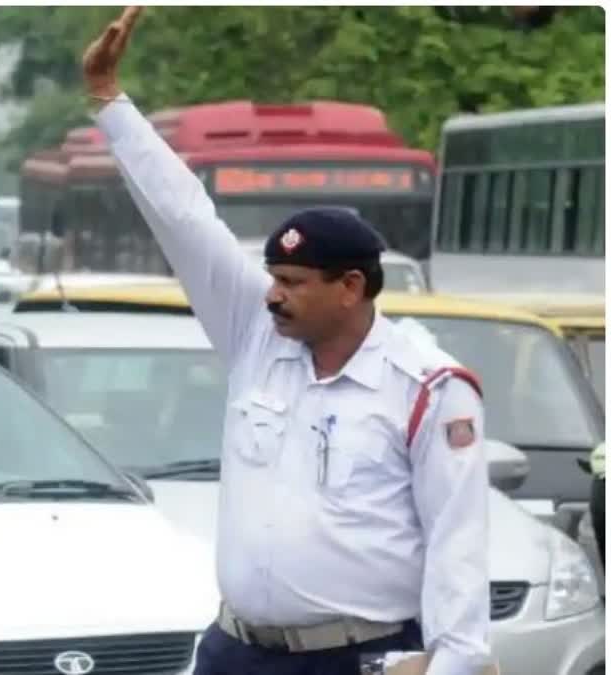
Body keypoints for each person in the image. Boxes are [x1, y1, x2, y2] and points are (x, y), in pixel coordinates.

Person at [82, 8, 491, 675]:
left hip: (358, 657)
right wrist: (109, 101)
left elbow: (459, 547)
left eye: (294, 281)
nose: (272, 293)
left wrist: (453, 665)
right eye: (272, 276)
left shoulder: (427, 388)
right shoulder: (256, 337)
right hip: (233, 652)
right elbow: (185, 217)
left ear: (351, 287)